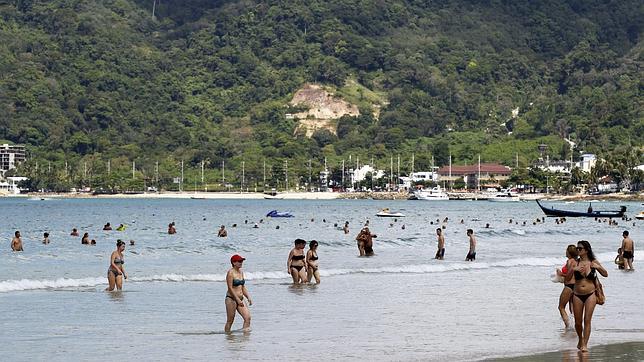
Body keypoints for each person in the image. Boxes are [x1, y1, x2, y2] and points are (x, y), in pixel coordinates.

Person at [565, 240, 608, 352]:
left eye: (580, 248)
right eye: (577, 248)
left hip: (591, 294)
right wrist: (573, 269)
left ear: (586, 250)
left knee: (587, 320)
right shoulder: (574, 263)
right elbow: (567, 279)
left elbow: (605, 274)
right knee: (578, 322)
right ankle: (580, 339)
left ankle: (585, 344)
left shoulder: (593, 262)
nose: (577, 250)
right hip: (577, 294)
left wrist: (597, 267)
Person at [225, 254, 252, 332]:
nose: (241, 263)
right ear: (234, 263)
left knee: (247, 318)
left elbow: (242, 286)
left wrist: (248, 297)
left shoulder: (241, 272)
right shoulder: (230, 273)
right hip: (231, 299)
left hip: (240, 299)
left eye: (242, 261)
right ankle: (228, 337)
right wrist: (237, 300)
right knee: (230, 320)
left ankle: (245, 338)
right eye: (239, 261)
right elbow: (230, 288)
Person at [556, 245, 578, 329]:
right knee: (572, 307)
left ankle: (568, 326)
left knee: (561, 307)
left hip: (569, 286)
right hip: (576, 286)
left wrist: (560, 274)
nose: (565, 252)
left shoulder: (570, 261)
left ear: (569, 252)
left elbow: (569, 275)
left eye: (566, 250)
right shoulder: (577, 261)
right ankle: (575, 325)